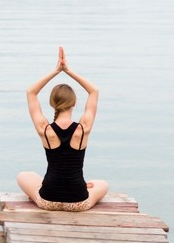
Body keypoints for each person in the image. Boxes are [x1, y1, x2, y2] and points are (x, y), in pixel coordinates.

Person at [16, 47, 109, 211]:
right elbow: (94, 91)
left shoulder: (44, 129)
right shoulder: (83, 128)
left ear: (53, 104)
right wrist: (68, 70)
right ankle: (81, 185)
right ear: (74, 103)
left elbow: (31, 92)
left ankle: (53, 185)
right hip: (78, 202)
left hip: (48, 200)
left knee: (23, 176)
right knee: (103, 184)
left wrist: (56, 70)